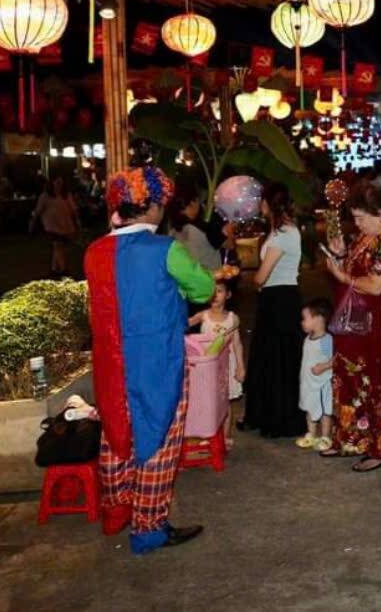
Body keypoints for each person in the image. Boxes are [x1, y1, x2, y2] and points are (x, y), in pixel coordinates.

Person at [85, 166, 213, 553]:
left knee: (116, 432)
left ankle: (117, 510)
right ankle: (149, 527)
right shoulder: (165, 249)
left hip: (111, 363)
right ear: (151, 207)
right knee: (159, 438)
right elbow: (203, 288)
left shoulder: (94, 253)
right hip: (158, 362)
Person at [321, 182, 381, 470]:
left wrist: (342, 275)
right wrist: (339, 256)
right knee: (351, 380)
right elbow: (353, 269)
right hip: (353, 323)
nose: (357, 223)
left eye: (361, 217)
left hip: (374, 324)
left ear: (380, 214)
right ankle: (353, 437)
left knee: (377, 383)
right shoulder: (366, 237)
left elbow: (375, 286)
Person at [242, 183, 306, 439]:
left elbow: (261, 276)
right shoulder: (280, 231)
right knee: (269, 359)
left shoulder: (284, 234)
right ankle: (264, 414)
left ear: (268, 204)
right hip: (276, 299)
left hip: (280, 299)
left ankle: (279, 419)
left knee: (278, 360)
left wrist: (248, 278)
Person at [188, 280, 245, 444]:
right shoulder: (203, 315)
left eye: (219, 291)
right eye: (212, 291)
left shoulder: (232, 319)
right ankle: (209, 434)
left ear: (228, 295)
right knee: (207, 401)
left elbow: (237, 344)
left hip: (226, 366)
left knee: (224, 402)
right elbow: (186, 322)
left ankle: (225, 437)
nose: (215, 295)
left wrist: (240, 367)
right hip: (206, 367)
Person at [297, 298, 335, 452]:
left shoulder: (326, 340)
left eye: (305, 318)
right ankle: (311, 434)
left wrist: (324, 366)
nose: (302, 322)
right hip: (308, 382)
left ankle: (326, 436)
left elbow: (336, 358)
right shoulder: (308, 338)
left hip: (321, 383)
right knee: (309, 407)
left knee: (325, 411)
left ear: (318, 319)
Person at [30, 175, 80, 277]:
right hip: (51, 225)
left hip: (64, 225)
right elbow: (38, 211)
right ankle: (63, 269)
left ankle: (54, 269)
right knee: (57, 245)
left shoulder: (66, 195)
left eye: (61, 183)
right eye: (57, 183)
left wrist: (77, 220)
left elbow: (73, 209)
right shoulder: (45, 196)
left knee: (58, 247)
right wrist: (33, 222)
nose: (59, 185)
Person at [167, 190, 222, 274]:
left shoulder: (172, 232)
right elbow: (226, 244)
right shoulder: (200, 227)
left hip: (185, 279)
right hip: (208, 277)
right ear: (192, 203)